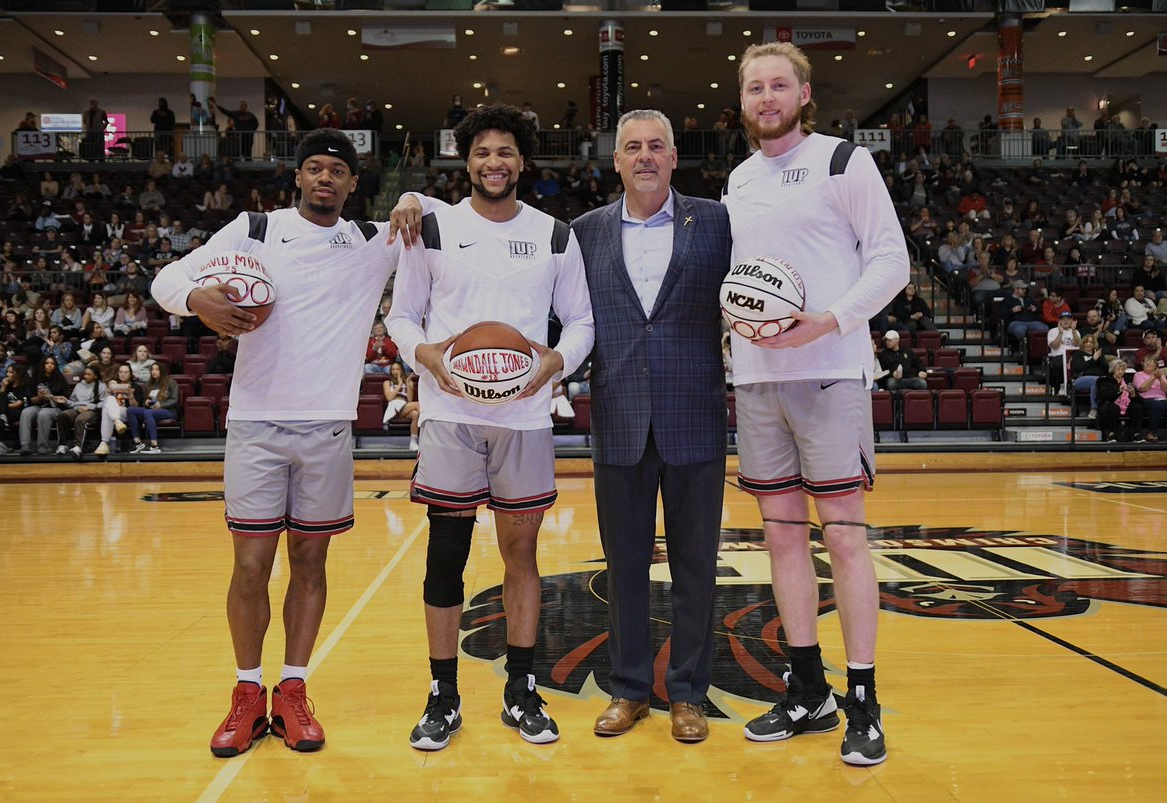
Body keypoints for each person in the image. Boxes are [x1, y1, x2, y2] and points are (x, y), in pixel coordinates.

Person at [151, 128, 404, 758]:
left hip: (328, 427)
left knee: (311, 564)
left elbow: (444, 222)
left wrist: (419, 200)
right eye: (314, 168)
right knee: (250, 565)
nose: (325, 178)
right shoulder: (253, 230)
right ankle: (245, 692)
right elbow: (166, 281)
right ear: (298, 177)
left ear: (352, 183)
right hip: (257, 425)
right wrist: (198, 301)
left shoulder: (373, 242)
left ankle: (292, 691)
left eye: (336, 171)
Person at [385, 104, 594, 751]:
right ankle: (443, 693)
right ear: (466, 160)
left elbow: (582, 321)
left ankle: (520, 688)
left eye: (505, 152)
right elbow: (402, 316)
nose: (494, 163)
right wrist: (424, 356)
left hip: (524, 416)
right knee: (445, 555)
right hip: (450, 415)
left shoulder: (556, 234)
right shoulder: (434, 228)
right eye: (482, 153)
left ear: (522, 162)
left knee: (521, 554)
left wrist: (558, 360)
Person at [723, 42, 908, 766]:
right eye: (753, 88)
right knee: (781, 536)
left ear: (804, 94)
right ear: (742, 104)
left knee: (845, 535)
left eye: (778, 85)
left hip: (830, 372)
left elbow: (891, 260)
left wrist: (828, 320)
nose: (766, 97)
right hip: (759, 379)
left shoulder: (843, 162)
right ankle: (809, 688)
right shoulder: (738, 178)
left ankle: (862, 696)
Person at [565, 109, 732, 743]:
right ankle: (630, 689)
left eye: (655, 146)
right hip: (619, 418)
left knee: (696, 567)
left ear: (673, 157)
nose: (644, 156)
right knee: (624, 567)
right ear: (615, 161)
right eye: (631, 147)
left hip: (695, 416)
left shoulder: (715, 221)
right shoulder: (584, 232)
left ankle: (689, 694)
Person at [19, 355, 69, 455]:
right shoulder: (35, 379)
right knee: (26, 412)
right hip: (39, 406)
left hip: (55, 409)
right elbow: (31, 400)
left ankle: (43, 447)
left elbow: (64, 400)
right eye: (47, 363)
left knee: (44, 413)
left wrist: (50, 397)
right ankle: (25, 446)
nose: (49, 366)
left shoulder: (60, 378)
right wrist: (39, 397)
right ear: (42, 365)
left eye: (52, 363)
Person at [55, 364, 107, 459]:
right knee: (62, 415)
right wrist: (66, 401)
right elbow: (73, 401)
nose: (86, 376)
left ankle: (77, 447)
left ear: (95, 376)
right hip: (77, 408)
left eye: (89, 374)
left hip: (91, 410)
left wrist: (90, 407)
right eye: (85, 374)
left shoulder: (101, 386)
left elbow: (104, 402)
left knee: (80, 419)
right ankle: (62, 445)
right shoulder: (79, 385)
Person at [95, 362, 142, 455]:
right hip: (115, 413)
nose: (123, 374)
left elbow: (136, 407)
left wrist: (130, 395)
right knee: (107, 404)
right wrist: (109, 391)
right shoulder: (114, 385)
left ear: (130, 374)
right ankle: (117, 422)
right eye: (121, 372)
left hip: (128, 413)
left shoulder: (135, 386)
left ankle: (104, 442)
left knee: (107, 409)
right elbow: (105, 403)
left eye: (126, 372)